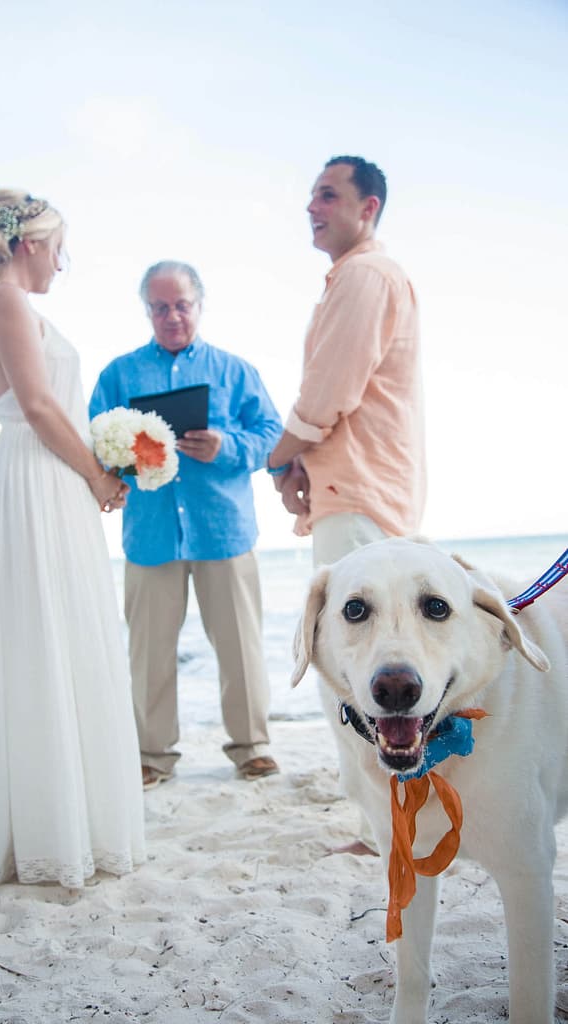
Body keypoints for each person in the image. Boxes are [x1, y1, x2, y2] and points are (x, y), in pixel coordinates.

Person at [0, 190, 146, 890]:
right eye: (60, 245)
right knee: (39, 640)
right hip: (34, 479)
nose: (64, 260)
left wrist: (107, 461)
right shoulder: (1, 299)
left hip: (53, 477)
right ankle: (40, 827)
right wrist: (96, 474)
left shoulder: (21, 305)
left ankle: (77, 815)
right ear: (29, 243)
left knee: (69, 636)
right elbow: (34, 407)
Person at [268, 156, 425, 852]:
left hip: (360, 495)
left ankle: (385, 828)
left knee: (357, 666)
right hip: (355, 488)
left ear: (367, 208)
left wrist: (277, 457)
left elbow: (328, 391)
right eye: (310, 195)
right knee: (364, 662)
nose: (311, 205)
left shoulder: (365, 275)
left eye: (327, 195)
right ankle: (382, 820)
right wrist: (298, 461)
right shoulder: (357, 276)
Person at [89, 261, 282, 789]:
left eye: (181, 305)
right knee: (149, 652)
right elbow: (95, 443)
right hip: (150, 535)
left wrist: (228, 446)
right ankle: (152, 755)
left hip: (223, 530)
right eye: (160, 307)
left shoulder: (235, 370)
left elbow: (271, 434)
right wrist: (123, 460)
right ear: (146, 310)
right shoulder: (119, 375)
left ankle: (252, 748)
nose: (172, 316)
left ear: (199, 304)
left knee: (241, 646)